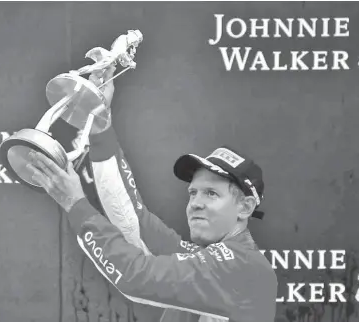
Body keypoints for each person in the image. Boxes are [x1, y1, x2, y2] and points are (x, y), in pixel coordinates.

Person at [27, 66, 278, 322]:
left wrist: (77, 205)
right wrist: (99, 126)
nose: (196, 204)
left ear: (245, 207)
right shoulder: (200, 260)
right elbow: (132, 220)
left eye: (211, 194)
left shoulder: (242, 266)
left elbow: (137, 278)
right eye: (193, 193)